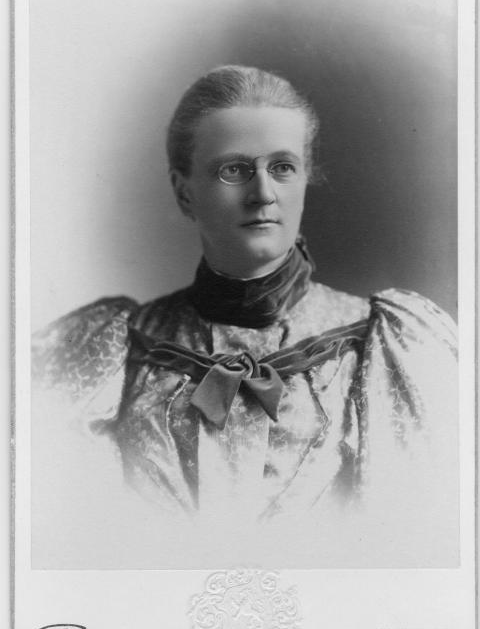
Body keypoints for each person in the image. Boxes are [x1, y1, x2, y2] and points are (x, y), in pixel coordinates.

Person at [32, 66, 458, 566]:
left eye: (282, 167)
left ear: (303, 179)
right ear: (184, 190)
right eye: (233, 170)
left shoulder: (387, 345)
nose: (263, 193)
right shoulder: (113, 349)